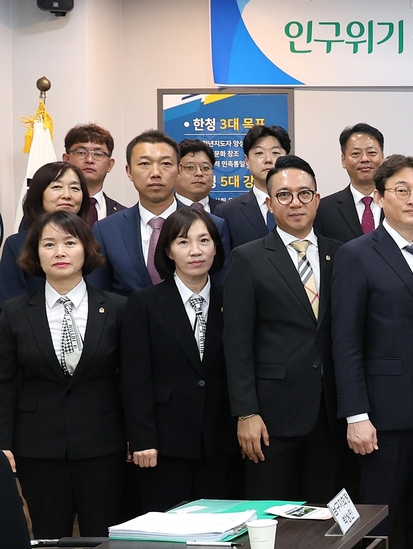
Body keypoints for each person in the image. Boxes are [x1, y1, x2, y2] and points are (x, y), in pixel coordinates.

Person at [331, 155, 413, 542]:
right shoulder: (356, 254)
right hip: (381, 417)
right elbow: (346, 341)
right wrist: (356, 415)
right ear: (379, 197)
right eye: (401, 190)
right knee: (377, 520)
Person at [0, 211, 128, 538]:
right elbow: (5, 383)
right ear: (35, 253)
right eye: (49, 244)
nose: (60, 252)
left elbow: (130, 380)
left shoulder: (117, 308)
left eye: (70, 243)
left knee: (104, 537)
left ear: (86, 249)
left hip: (103, 445)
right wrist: (4, 443)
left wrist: (137, 437)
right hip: (38, 448)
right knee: (47, 536)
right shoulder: (14, 312)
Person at [223, 155, 343, 501]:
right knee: (271, 511)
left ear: (317, 200)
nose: (295, 203)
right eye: (284, 195)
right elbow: (237, 342)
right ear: (270, 203)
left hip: (330, 413)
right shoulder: (248, 258)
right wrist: (246, 411)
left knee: (323, 512)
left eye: (304, 194)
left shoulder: (341, 254)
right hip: (271, 414)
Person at [120, 208, 237, 512]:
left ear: (216, 247)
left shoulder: (232, 300)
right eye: (183, 242)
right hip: (164, 443)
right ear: (168, 251)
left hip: (221, 441)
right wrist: (142, 439)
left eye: (204, 240)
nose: (195, 251)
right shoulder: (144, 303)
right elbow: (135, 378)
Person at [90, 131, 231, 295]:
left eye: (165, 164)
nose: (155, 173)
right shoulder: (107, 230)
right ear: (129, 171)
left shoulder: (212, 225)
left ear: (179, 170)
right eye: (144, 164)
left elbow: (221, 291)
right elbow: (99, 296)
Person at [1, 162, 90, 308]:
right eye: (57, 187)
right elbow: (9, 305)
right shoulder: (17, 244)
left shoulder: (94, 240)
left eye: (74, 188)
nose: (67, 195)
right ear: (39, 193)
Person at [214, 125, 290, 250]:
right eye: (259, 153)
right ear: (247, 161)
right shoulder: (227, 212)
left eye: (275, 153)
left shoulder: (302, 205)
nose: (268, 159)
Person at [315, 123, 386, 243]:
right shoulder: (323, 209)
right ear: (343, 160)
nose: (364, 159)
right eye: (356, 154)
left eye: (372, 153)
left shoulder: (398, 203)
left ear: (382, 157)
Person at [63, 123, 124, 225]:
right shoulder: (52, 209)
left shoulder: (124, 216)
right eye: (81, 152)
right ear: (66, 160)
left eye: (98, 154)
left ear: (109, 165)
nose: (89, 160)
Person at [175, 139, 222, 212]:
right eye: (190, 167)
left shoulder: (226, 212)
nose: (199, 173)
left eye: (205, 168)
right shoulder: (163, 210)